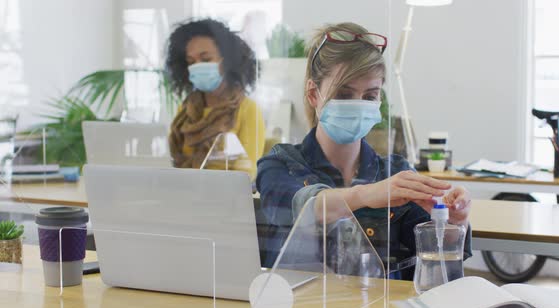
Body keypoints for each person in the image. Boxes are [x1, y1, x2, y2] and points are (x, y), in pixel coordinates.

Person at [256, 22, 472, 278]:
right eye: (344, 94)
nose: (358, 105)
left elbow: (434, 263)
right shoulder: (279, 164)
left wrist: (453, 223)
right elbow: (302, 210)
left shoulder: (396, 172)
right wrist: (366, 195)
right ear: (314, 94)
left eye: (369, 96)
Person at [166, 18, 265, 178]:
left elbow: (246, 175)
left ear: (227, 61)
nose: (197, 66)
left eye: (206, 59)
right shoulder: (185, 110)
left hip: (224, 199)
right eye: (191, 62)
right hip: (180, 193)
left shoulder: (247, 109)